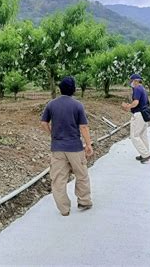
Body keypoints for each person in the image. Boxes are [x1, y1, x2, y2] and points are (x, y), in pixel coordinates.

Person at [41, 76, 94, 216]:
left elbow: (43, 123)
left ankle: (64, 209)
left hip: (57, 148)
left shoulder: (51, 104)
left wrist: (52, 134)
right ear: (73, 90)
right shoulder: (77, 105)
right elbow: (83, 127)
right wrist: (88, 144)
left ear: (60, 89)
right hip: (75, 147)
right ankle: (84, 201)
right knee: (81, 175)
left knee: (58, 179)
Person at [122, 73, 150, 163]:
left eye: (131, 80)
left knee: (134, 136)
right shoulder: (142, 88)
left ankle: (146, 155)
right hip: (144, 115)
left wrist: (128, 106)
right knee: (143, 135)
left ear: (135, 81)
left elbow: (136, 102)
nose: (130, 82)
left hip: (139, 115)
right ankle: (145, 153)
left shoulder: (137, 88)